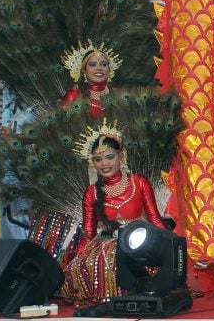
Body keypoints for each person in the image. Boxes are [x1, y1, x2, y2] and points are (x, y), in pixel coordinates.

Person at [62, 124, 167, 299]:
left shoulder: (139, 182)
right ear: (93, 163)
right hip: (105, 244)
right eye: (98, 159)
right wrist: (76, 261)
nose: (104, 164)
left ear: (121, 157)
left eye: (110, 157)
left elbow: (155, 219)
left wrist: (169, 247)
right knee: (99, 262)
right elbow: (88, 232)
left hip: (139, 240)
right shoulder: (91, 192)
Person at [60, 41, 122, 117]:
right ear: (84, 71)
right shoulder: (74, 95)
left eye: (104, 64)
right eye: (92, 65)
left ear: (109, 70)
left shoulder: (119, 95)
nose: (99, 68)